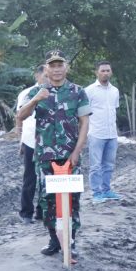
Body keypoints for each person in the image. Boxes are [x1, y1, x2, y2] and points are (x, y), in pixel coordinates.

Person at [15, 49, 91, 257]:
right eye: (52, 66)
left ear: (66, 68)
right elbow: (21, 116)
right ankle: (54, 240)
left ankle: (71, 240)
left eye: (60, 65)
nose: (56, 69)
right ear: (46, 69)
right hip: (45, 156)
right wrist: (35, 100)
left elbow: (84, 123)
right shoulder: (37, 91)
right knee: (47, 199)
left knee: (71, 199)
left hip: (69, 155)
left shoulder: (78, 92)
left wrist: (77, 151)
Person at [86, 60, 122, 203]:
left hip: (112, 134)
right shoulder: (89, 91)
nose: (105, 73)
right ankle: (96, 193)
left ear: (111, 72)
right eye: (103, 70)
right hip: (96, 133)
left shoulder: (115, 91)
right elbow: (84, 113)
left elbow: (114, 111)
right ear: (97, 72)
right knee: (95, 165)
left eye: (108, 70)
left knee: (108, 164)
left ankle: (107, 190)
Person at [15, 63, 47, 223]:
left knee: (46, 178)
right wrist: (20, 140)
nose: (48, 78)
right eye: (45, 75)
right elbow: (19, 117)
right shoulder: (27, 93)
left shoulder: (56, 92)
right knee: (30, 178)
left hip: (49, 143)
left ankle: (42, 212)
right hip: (30, 141)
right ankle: (26, 212)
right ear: (37, 75)